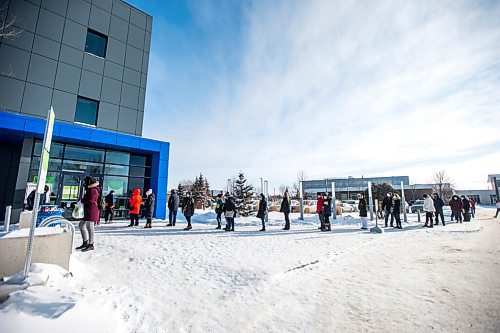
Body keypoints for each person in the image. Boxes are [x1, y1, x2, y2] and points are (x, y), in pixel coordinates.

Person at [76, 177, 100, 252]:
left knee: (90, 228)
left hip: (91, 212)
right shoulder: (90, 190)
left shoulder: (93, 190)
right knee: (81, 225)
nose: (84, 183)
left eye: (85, 182)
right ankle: (85, 242)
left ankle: (91, 244)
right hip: (87, 212)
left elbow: (91, 201)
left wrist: (82, 201)